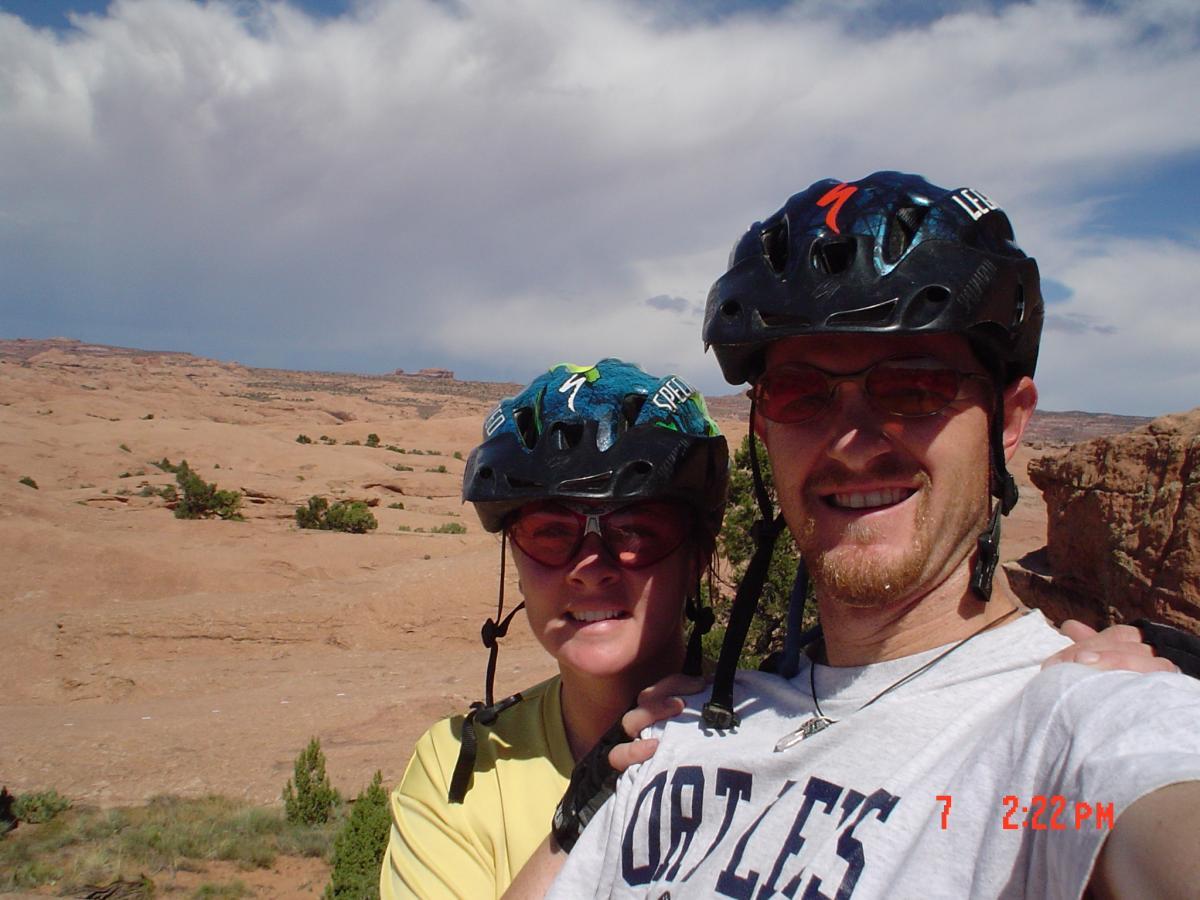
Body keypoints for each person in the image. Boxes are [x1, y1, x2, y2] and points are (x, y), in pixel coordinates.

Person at [531, 172, 1200, 898]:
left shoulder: (1081, 721)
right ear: (764, 431)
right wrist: (586, 798)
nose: (851, 445)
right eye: (800, 393)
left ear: (1008, 422)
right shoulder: (673, 733)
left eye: (913, 386)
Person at [380, 358, 730, 898]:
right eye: (550, 533)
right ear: (514, 564)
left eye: (635, 529)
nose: (590, 568)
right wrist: (578, 825)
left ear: (696, 559)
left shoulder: (780, 742)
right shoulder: (461, 767)